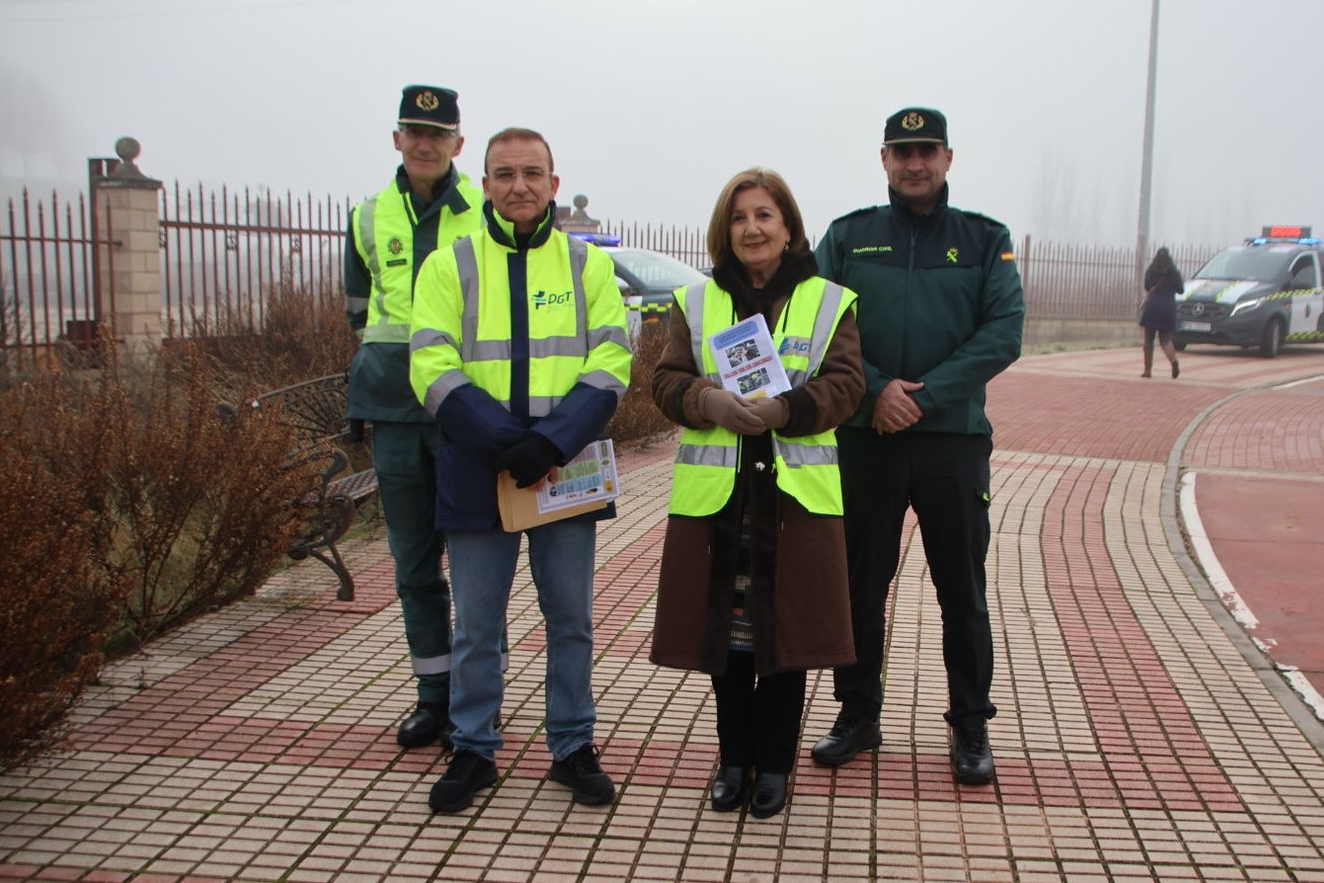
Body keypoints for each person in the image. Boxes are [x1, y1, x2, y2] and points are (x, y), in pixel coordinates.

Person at [409, 128, 633, 813]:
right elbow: (429, 363)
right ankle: (472, 747)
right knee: (477, 624)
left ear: (554, 184)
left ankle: (572, 745)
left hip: (563, 471)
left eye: (532, 172)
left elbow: (613, 357)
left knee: (571, 619)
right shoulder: (450, 264)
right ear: (484, 184)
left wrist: (552, 443)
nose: (519, 185)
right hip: (481, 468)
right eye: (503, 173)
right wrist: (509, 441)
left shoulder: (586, 264)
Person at [811, 107, 1025, 785]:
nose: (914, 163)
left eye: (926, 150)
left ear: (948, 158)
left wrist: (922, 396)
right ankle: (857, 715)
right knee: (857, 588)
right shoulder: (849, 237)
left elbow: (1003, 332)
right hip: (866, 439)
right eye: (902, 152)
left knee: (961, 590)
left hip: (952, 444)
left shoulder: (985, 240)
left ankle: (970, 727)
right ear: (883, 160)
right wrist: (876, 392)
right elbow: (817, 324)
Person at [648, 169, 864, 820]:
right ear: (725, 230)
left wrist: (787, 409)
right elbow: (666, 382)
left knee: (785, 643)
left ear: (790, 226)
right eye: (740, 217)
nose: (752, 228)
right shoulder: (697, 301)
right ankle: (733, 762)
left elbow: (847, 386)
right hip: (720, 506)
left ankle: (774, 768)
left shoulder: (831, 301)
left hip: (793, 506)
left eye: (765, 215)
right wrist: (707, 399)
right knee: (731, 644)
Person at [345, 85, 484, 749]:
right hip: (394, 411)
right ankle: (433, 696)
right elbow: (359, 312)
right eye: (413, 131)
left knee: (478, 564)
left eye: (439, 133)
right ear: (397, 138)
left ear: (458, 142)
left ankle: (475, 703)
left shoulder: (486, 212)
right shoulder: (367, 216)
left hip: (464, 410)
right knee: (413, 565)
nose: (425, 143)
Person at [1139, 247, 1183, 378]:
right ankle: (1173, 360)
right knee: (1166, 339)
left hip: (1152, 307)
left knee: (1148, 339)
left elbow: (1147, 287)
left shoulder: (1151, 271)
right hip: (1168, 307)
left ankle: (1147, 370)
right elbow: (1181, 290)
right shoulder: (1174, 272)